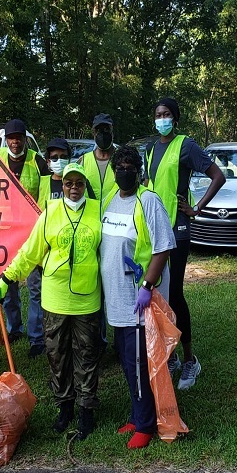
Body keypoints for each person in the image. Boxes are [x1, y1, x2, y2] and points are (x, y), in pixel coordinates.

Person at [0, 163, 102, 439]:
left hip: (87, 300)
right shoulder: (50, 212)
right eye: (69, 184)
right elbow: (30, 252)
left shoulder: (97, 210)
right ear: (62, 185)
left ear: (84, 185)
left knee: (87, 357)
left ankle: (86, 410)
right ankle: (64, 407)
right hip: (54, 299)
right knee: (57, 356)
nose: (74, 188)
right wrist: (7, 278)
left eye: (79, 183)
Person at [144, 97, 225, 390]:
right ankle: (172, 355)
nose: (161, 118)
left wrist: (197, 208)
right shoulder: (152, 148)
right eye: (157, 114)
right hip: (154, 230)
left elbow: (218, 175)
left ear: (175, 119)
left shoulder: (186, 146)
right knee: (158, 295)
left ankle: (190, 360)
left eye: (166, 114)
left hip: (177, 230)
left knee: (175, 294)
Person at [99, 145, 175, 449]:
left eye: (130, 166)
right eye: (120, 166)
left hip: (139, 300)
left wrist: (147, 285)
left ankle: (145, 424)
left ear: (139, 171)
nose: (124, 171)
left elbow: (163, 246)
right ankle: (136, 413)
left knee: (139, 363)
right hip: (116, 300)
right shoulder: (110, 201)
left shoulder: (149, 201)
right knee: (128, 361)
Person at [0, 118, 49, 342]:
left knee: (36, 287)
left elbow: (45, 197)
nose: (15, 142)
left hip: (32, 234)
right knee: (9, 284)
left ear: (25, 139)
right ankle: (13, 328)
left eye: (18, 138)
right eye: (11, 138)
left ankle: (36, 335)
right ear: (6, 139)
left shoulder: (37, 161)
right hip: (4, 234)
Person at [19, 137, 73, 359]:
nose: (58, 161)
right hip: (42, 249)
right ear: (48, 162)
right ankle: (36, 339)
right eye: (54, 158)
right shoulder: (41, 183)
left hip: (65, 252)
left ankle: (66, 337)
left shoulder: (75, 182)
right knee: (35, 293)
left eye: (62, 157)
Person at [77, 113, 118, 209]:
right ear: (93, 133)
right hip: (89, 216)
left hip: (116, 216)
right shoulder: (83, 161)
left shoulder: (122, 159)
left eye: (106, 129)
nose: (103, 133)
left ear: (112, 132)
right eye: (98, 130)